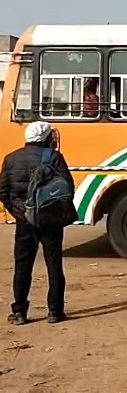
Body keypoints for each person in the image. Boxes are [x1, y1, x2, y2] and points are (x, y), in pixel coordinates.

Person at [0, 121, 74, 325]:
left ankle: (20, 312)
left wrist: (20, 213)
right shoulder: (54, 157)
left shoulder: (11, 158)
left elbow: (3, 191)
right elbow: (67, 187)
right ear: (46, 137)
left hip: (24, 221)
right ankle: (55, 312)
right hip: (50, 219)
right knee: (54, 264)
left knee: (23, 266)